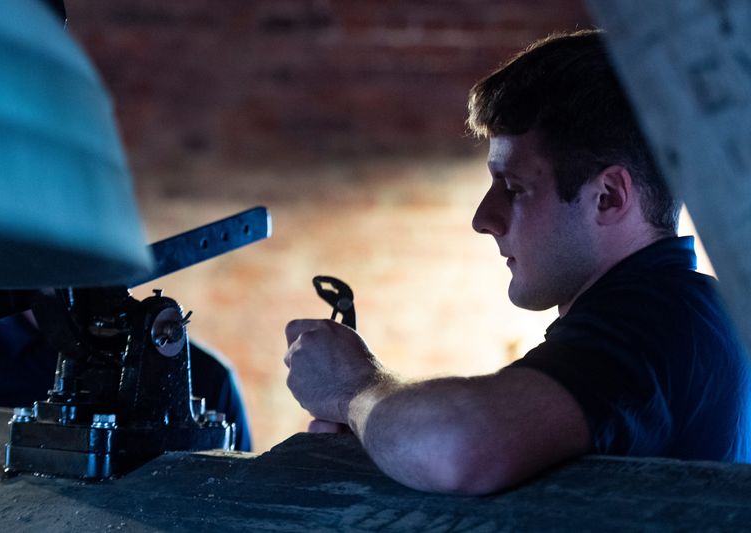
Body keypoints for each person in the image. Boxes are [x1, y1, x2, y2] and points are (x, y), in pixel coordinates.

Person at [283, 29, 751, 495]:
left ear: (607, 197)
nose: (483, 219)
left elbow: (457, 447)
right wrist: (379, 435)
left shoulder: (661, 318)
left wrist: (354, 389)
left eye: (515, 187)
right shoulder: (674, 315)